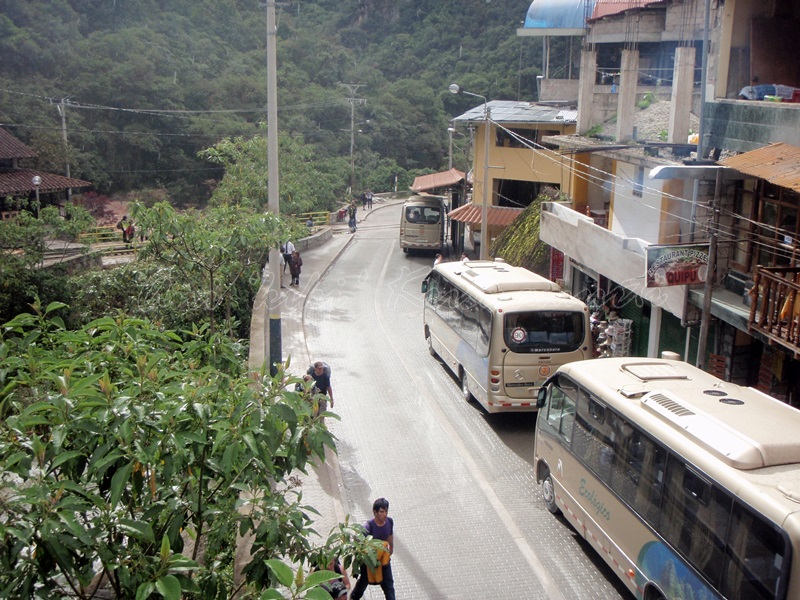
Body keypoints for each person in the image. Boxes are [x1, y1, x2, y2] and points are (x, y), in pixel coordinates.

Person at [351, 498, 395, 600]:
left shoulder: (389, 522)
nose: (384, 514)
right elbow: (359, 541)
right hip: (369, 562)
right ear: (375, 512)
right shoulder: (368, 527)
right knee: (363, 582)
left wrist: (390, 551)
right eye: (381, 512)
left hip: (383, 561)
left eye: (386, 511)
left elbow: (390, 537)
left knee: (389, 586)